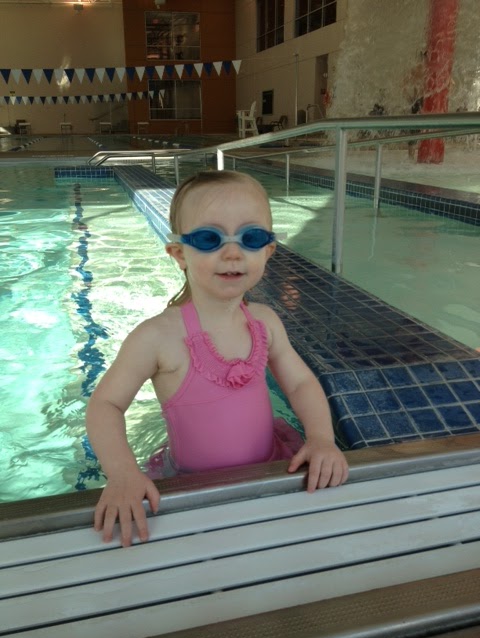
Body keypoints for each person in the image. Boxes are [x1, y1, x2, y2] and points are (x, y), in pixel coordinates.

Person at [86, 170, 349, 547]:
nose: (233, 252)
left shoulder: (265, 322)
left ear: (268, 250)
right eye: (210, 239)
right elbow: (105, 404)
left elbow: (300, 383)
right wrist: (122, 473)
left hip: (271, 463)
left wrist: (322, 438)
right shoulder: (158, 337)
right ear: (180, 254)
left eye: (251, 237)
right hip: (189, 481)